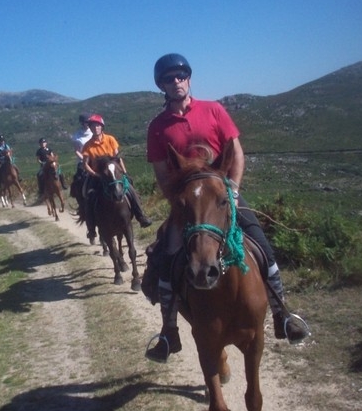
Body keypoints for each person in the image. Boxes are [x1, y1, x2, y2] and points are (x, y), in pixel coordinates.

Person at [144, 53, 309, 362]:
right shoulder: (158, 126)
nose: (176, 81)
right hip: (187, 203)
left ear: (189, 79)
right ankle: (169, 332)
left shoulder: (214, 110)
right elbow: (162, 174)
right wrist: (180, 203)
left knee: (262, 246)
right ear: (162, 86)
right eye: (169, 78)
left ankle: (281, 314)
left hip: (223, 194)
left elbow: (236, 152)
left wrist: (232, 191)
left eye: (181, 76)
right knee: (166, 260)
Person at [81, 114, 152, 244]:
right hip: (98, 175)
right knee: (89, 196)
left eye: (97, 125)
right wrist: (94, 174)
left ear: (101, 127)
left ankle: (140, 216)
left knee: (130, 189)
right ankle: (91, 228)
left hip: (114, 174)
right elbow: (85, 164)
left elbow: (117, 158)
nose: (95, 128)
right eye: (92, 126)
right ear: (90, 128)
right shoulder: (88, 145)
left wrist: (124, 172)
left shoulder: (110, 139)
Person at [69, 113, 93, 200]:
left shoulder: (94, 132)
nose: (88, 124)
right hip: (82, 160)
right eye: (86, 122)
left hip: (95, 159)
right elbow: (76, 151)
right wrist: (84, 159)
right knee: (79, 178)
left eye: (89, 122)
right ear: (82, 123)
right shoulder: (77, 136)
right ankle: (79, 198)